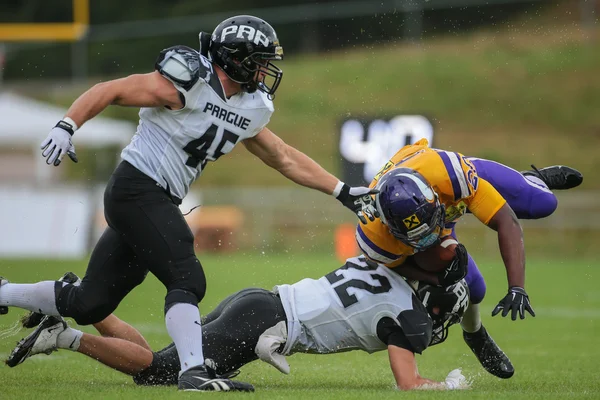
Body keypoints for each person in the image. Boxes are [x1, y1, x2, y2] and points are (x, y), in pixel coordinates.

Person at [0, 15, 379, 392]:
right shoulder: (188, 81)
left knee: (89, 304)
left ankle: (3, 291)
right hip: (136, 187)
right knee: (186, 277)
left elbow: (282, 156)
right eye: (261, 61)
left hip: (156, 199)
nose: (266, 71)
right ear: (237, 58)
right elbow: (111, 89)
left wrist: (342, 191)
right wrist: (68, 125)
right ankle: (193, 373)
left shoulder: (251, 106)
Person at [6, 257, 471, 391]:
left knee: (167, 359)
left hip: (260, 301)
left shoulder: (384, 266)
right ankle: (63, 335)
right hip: (263, 325)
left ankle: (84, 309)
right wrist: (447, 386)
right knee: (159, 373)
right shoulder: (408, 317)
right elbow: (408, 384)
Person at [355, 138, 582, 380]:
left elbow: (507, 222)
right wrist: (437, 278)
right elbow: (399, 265)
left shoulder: (450, 176)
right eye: (419, 237)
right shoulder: (374, 235)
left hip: (449, 191)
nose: (430, 237)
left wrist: (517, 287)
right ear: (391, 229)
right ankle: (475, 334)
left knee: (544, 203)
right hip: (426, 215)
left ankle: (532, 180)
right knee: (475, 288)